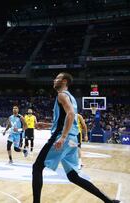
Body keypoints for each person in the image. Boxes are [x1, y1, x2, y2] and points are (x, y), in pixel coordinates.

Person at [32, 72, 119, 203]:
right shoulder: (71, 98)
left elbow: (71, 114)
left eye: (57, 78)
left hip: (64, 138)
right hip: (73, 141)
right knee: (73, 176)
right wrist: (46, 125)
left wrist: (62, 137)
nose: (54, 80)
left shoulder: (61, 95)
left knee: (37, 167)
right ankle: (108, 201)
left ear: (65, 81)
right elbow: (68, 120)